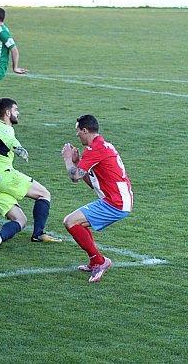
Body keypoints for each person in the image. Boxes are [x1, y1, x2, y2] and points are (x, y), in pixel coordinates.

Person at [61, 115, 133, 283]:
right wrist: (79, 162)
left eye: (78, 131)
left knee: (70, 221)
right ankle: (95, 261)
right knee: (77, 222)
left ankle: (100, 262)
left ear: (85, 130)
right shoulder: (101, 146)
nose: (77, 135)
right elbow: (92, 183)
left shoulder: (95, 149)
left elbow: (75, 177)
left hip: (116, 202)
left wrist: (67, 160)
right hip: (118, 199)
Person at [0, 98, 61, 249]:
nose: (17, 113)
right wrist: (19, 149)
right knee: (44, 194)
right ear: (7, 112)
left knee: (20, 220)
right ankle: (39, 234)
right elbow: (9, 139)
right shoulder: (4, 128)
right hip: (4, 176)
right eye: (15, 110)